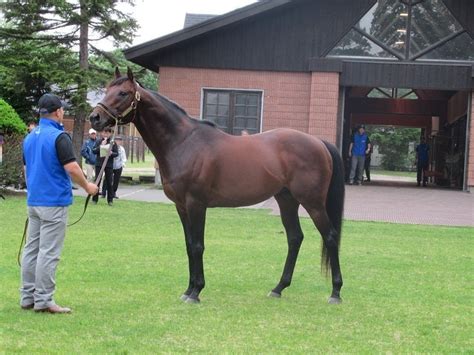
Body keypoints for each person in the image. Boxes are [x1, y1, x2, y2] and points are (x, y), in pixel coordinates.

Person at [21, 93, 98, 314]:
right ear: (57, 112)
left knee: (31, 250)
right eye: (63, 110)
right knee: (48, 252)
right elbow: (72, 168)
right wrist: (88, 187)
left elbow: (26, 170)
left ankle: (27, 296)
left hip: (34, 201)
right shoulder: (58, 137)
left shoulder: (30, 137)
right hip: (53, 202)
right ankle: (44, 300)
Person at [92, 128, 118, 206]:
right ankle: (94, 199)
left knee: (109, 182)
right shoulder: (98, 141)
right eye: (104, 133)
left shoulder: (113, 142)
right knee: (97, 181)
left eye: (107, 133)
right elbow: (94, 151)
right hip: (99, 164)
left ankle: (110, 200)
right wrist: (101, 146)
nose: (105, 134)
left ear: (110, 134)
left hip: (109, 165)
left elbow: (116, 153)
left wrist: (111, 153)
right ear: (102, 133)